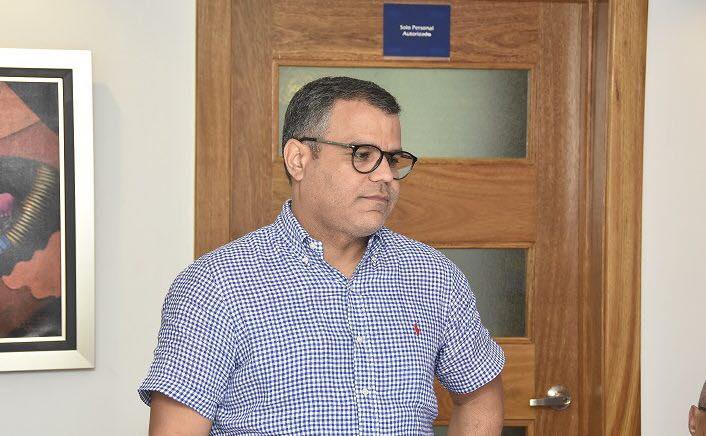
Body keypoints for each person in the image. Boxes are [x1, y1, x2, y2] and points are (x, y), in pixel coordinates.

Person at [139, 76, 505, 435]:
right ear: (298, 159)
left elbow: (479, 397)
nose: (385, 176)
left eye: (392, 159)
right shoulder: (214, 287)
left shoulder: (433, 276)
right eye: (363, 155)